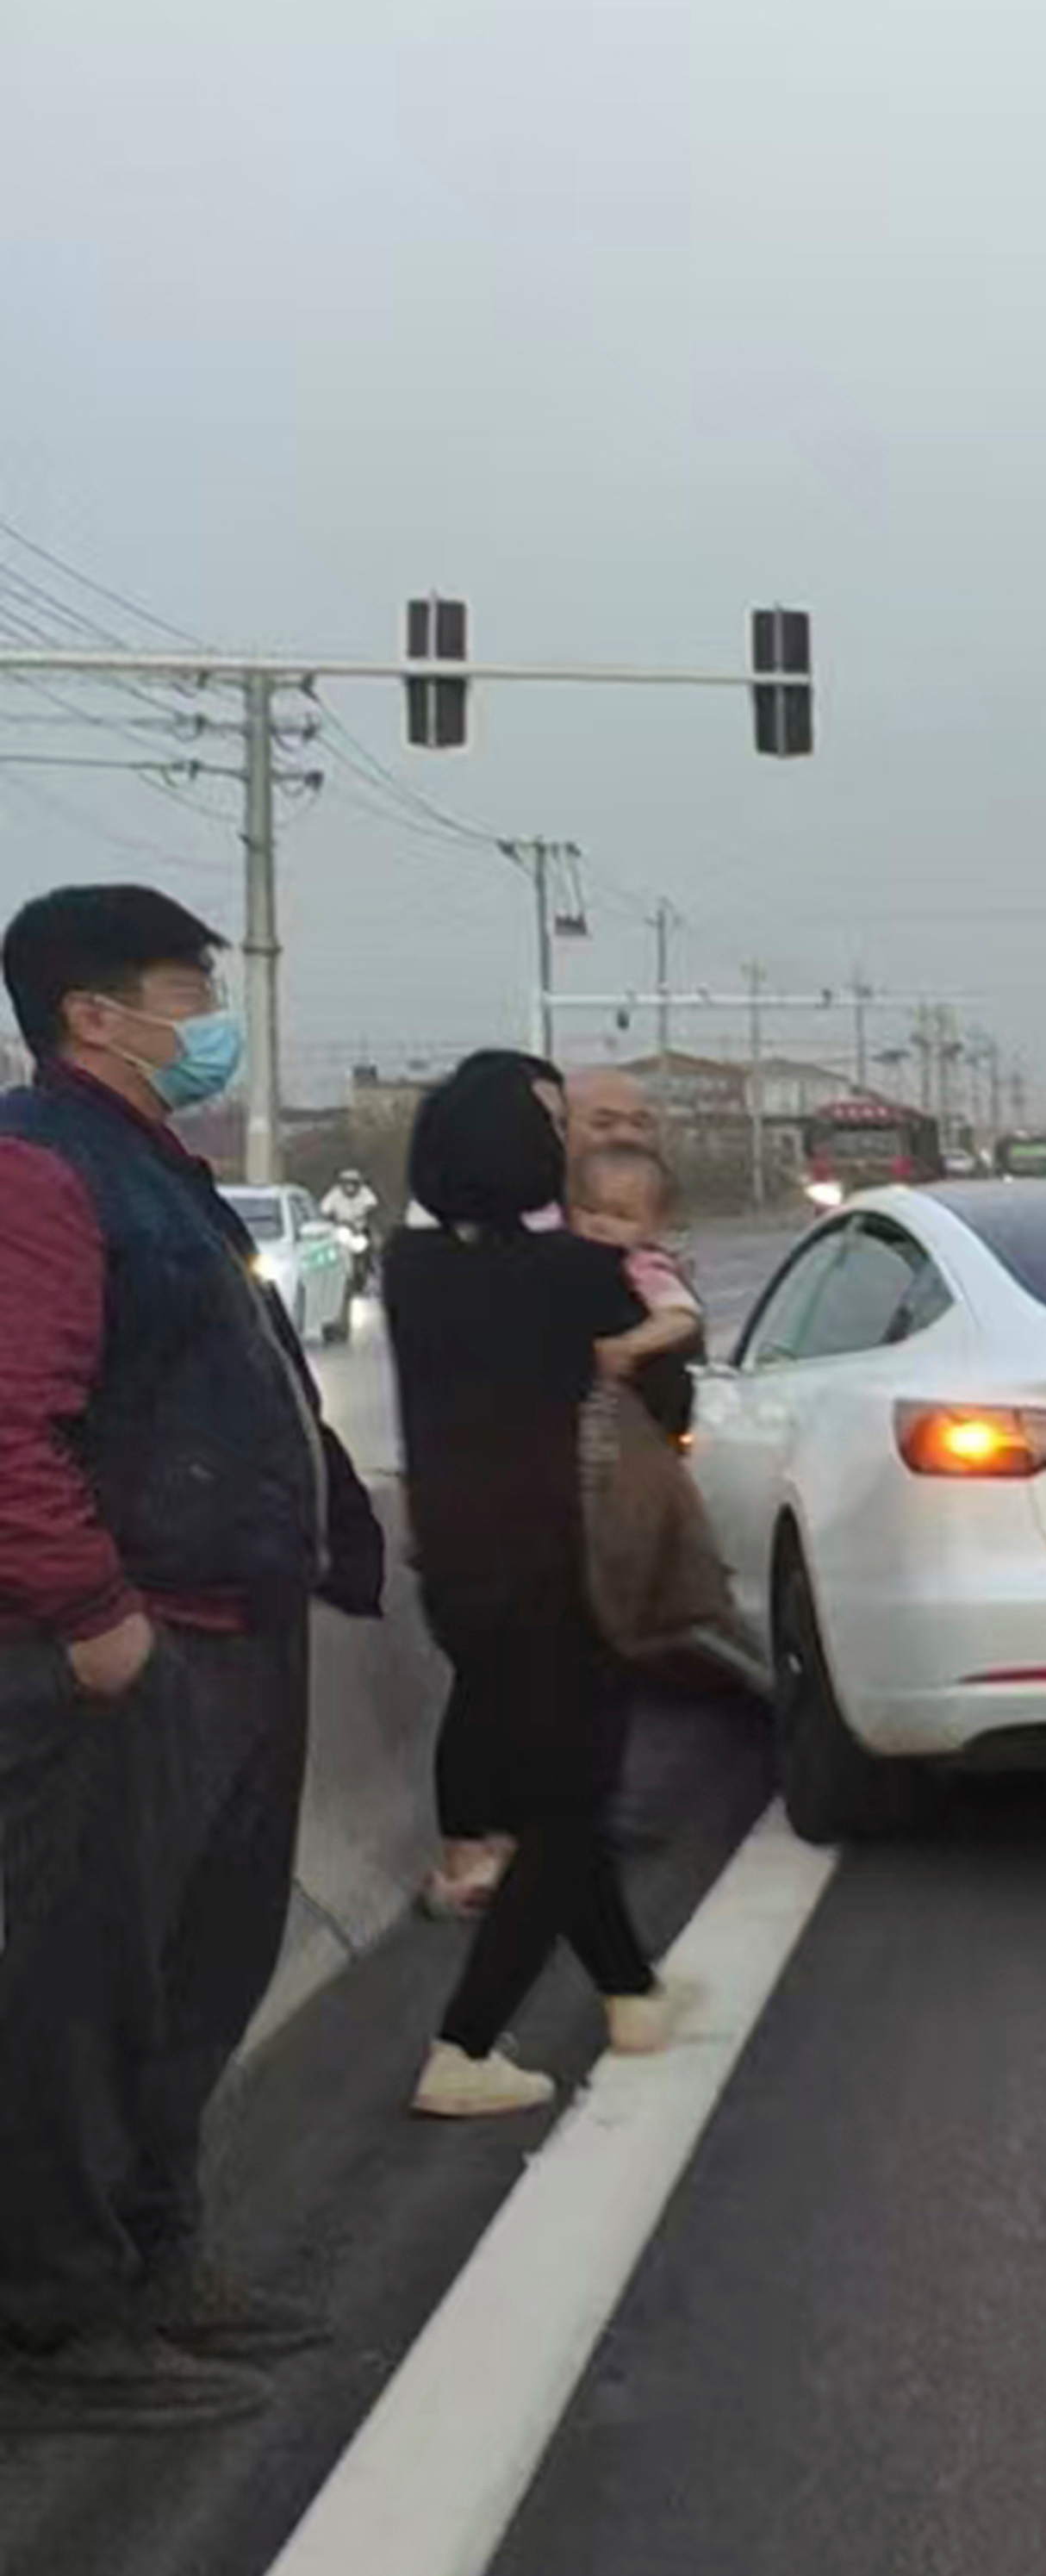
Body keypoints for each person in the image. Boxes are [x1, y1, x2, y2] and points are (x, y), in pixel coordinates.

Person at [0, 884, 384, 2432]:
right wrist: (97, 1616)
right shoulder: (42, 1169)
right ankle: (58, 2313)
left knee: (190, 1980)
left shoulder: (162, 1169)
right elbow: (11, 1419)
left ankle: (160, 2257)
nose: (204, 1018)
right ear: (94, 1013)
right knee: (78, 1992)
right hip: (125, 1655)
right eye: (183, 988)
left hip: (237, 1632)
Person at [383, 1054, 688, 2119]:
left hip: (462, 1580)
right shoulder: (575, 1278)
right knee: (568, 1817)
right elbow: (672, 1389)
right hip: (566, 1576)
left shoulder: (409, 1268)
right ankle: (464, 2047)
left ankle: (632, 1991)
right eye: (553, 1126)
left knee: (562, 1799)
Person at [563, 1144, 702, 1379]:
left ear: (654, 1226)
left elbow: (681, 1318)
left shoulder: (642, 1266)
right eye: (589, 1209)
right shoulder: (558, 1255)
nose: (601, 1224)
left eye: (621, 1216)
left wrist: (627, 1346)